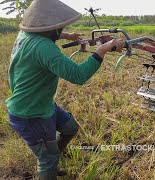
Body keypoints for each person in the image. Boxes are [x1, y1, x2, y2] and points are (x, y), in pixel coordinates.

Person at [5, 0, 123, 179]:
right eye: (59, 27)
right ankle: (50, 160)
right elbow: (78, 75)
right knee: (46, 159)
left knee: (70, 128)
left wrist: (68, 36)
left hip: (40, 104)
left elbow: (45, 33)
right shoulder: (44, 48)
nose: (60, 29)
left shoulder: (25, 35)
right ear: (52, 28)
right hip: (31, 114)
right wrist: (103, 49)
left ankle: (54, 156)